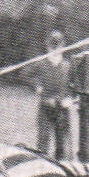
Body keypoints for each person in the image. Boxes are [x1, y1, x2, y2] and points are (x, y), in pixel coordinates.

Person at [26, 30, 75, 159]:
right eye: (52, 45)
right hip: (46, 106)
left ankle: (62, 167)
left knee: (62, 143)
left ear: (63, 46)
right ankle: (41, 164)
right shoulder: (41, 63)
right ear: (47, 46)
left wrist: (70, 97)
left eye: (58, 45)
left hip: (62, 108)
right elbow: (24, 75)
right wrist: (36, 86)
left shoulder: (67, 65)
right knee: (43, 140)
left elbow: (73, 84)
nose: (55, 49)